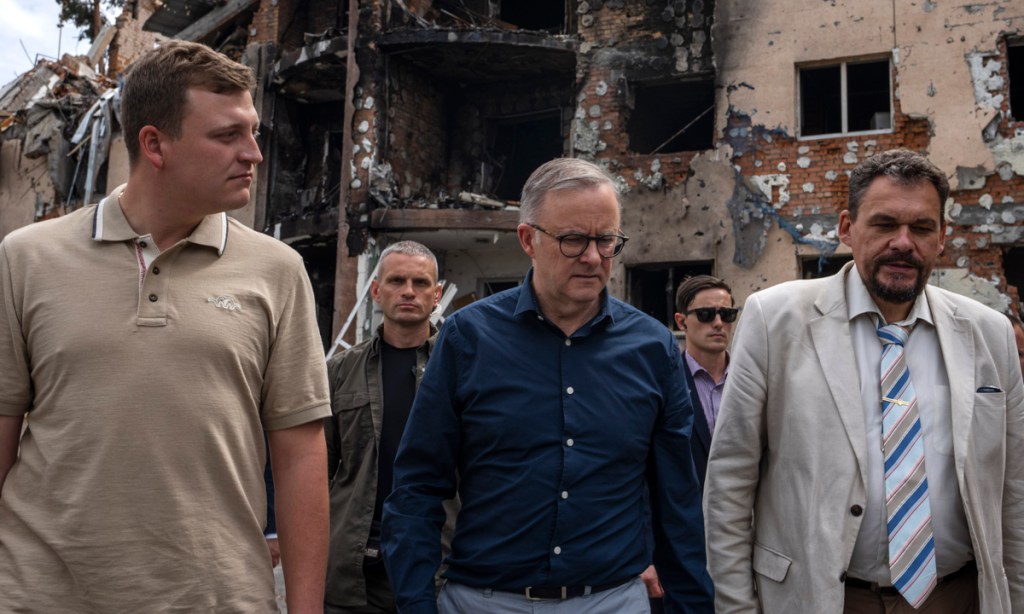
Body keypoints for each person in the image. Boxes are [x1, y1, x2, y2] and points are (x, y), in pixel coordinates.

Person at [0, 41, 330, 613]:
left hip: (218, 599)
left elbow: (300, 455)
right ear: (154, 144)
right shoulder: (26, 259)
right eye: (227, 135)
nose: (253, 153)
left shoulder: (278, 271)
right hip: (42, 597)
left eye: (253, 131)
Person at [382, 157, 714, 614]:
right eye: (574, 240)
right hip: (485, 602)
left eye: (606, 240)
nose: (594, 257)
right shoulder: (467, 338)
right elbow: (417, 487)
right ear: (528, 240)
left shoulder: (653, 347)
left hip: (612, 601)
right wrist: (417, 604)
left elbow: (678, 500)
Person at [704, 148, 1024, 613]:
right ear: (847, 228)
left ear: (941, 238)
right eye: (884, 224)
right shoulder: (775, 319)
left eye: (921, 228)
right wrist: (737, 609)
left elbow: (1014, 492)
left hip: (956, 596)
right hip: (822, 598)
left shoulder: (989, 334)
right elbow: (730, 482)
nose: (903, 242)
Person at [324, 240, 452, 613]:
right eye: (397, 281)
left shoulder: (464, 369)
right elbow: (320, 473)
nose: (409, 291)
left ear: (437, 294)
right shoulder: (338, 372)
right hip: (354, 566)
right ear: (376, 291)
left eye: (421, 282)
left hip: (439, 562)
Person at [673, 275, 736, 488]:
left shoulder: (751, 379)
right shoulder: (667, 383)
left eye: (726, 314)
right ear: (681, 322)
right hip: (689, 512)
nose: (718, 323)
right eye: (705, 314)